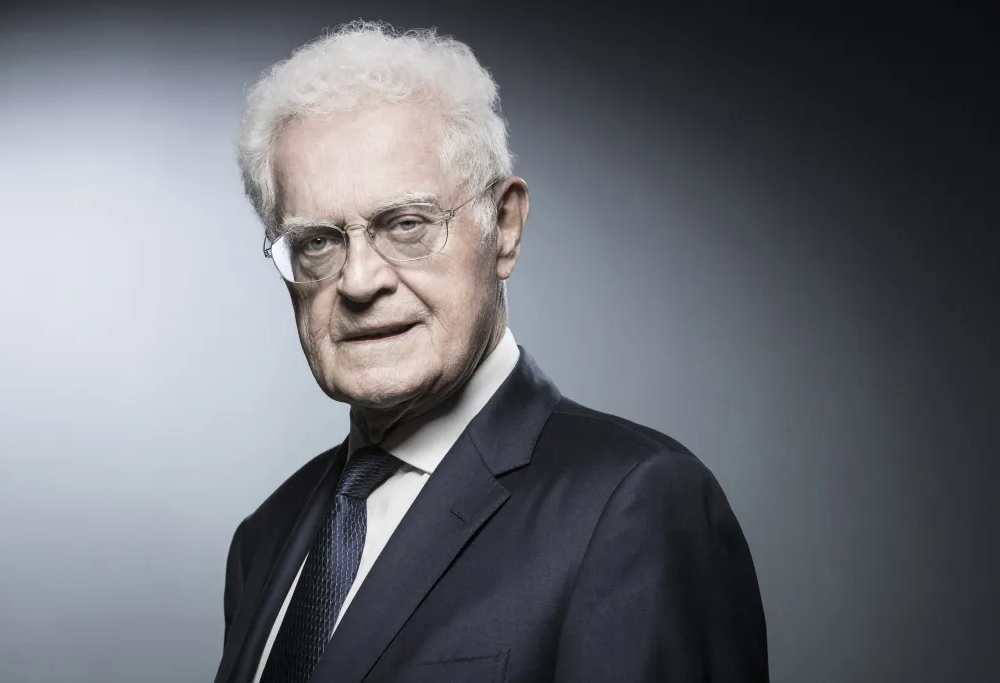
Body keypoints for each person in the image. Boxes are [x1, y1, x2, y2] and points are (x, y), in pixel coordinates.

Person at [213, 20, 768, 683]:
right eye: (318, 242)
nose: (359, 281)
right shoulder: (265, 538)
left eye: (407, 224)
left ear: (503, 227)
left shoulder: (634, 505)